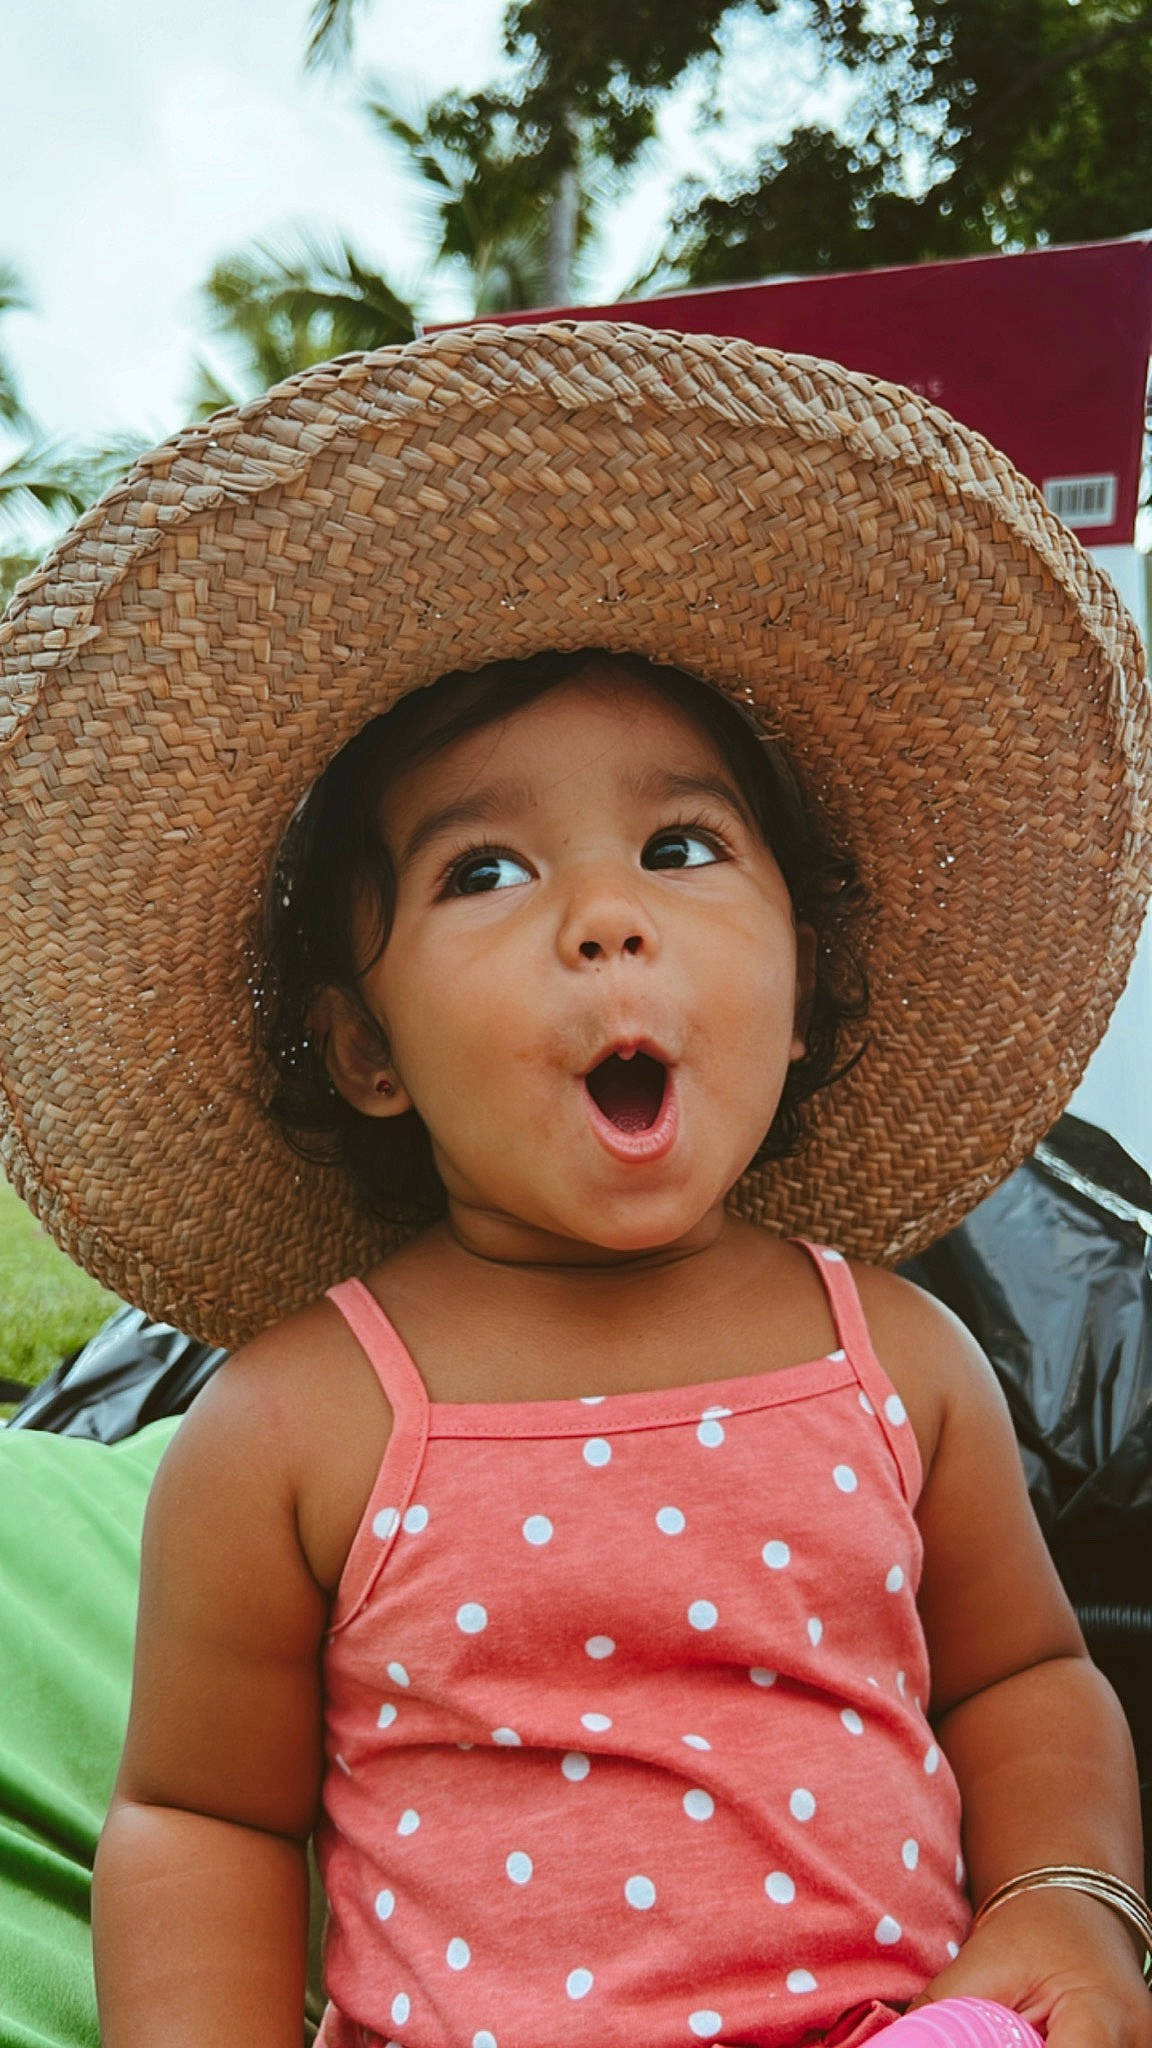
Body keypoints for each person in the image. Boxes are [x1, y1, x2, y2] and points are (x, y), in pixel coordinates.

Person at [0, 322, 1149, 2048]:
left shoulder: (898, 1360)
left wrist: (1069, 1899)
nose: (607, 917)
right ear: (365, 1048)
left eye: (682, 847)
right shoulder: (296, 1424)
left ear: (803, 978)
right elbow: (202, 1818)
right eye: (484, 870)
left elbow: (1025, 1678)